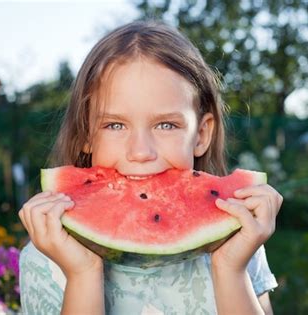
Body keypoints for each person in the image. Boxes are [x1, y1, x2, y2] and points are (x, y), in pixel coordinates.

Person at [18, 20, 282, 315]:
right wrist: (82, 274)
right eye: (115, 124)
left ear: (201, 135)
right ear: (85, 136)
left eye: (166, 124)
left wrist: (231, 269)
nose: (141, 152)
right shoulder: (44, 260)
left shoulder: (241, 236)